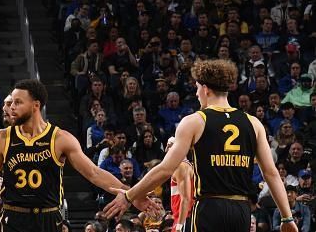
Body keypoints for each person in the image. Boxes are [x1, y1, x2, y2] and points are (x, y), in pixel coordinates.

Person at [104, 59, 297, 232]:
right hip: (241, 210)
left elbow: (165, 169)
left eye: (197, 88)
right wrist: (287, 217)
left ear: (205, 88)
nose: (196, 94)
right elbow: (271, 173)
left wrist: (129, 195)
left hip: (209, 207)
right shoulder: (253, 123)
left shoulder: (195, 121)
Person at [0, 79, 153, 232]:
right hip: (13, 217)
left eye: (17, 102)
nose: (11, 107)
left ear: (35, 105)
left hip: (48, 218)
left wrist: (130, 194)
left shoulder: (60, 138)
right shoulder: (2, 138)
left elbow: (94, 173)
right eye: (10, 102)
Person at [166, 137, 194, 232]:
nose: (166, 150)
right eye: (166, 146)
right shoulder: (183, 166)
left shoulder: (181, 166)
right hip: (182, 216)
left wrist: (180, 225)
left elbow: (186, 199)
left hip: (185, 218)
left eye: (170, 146)